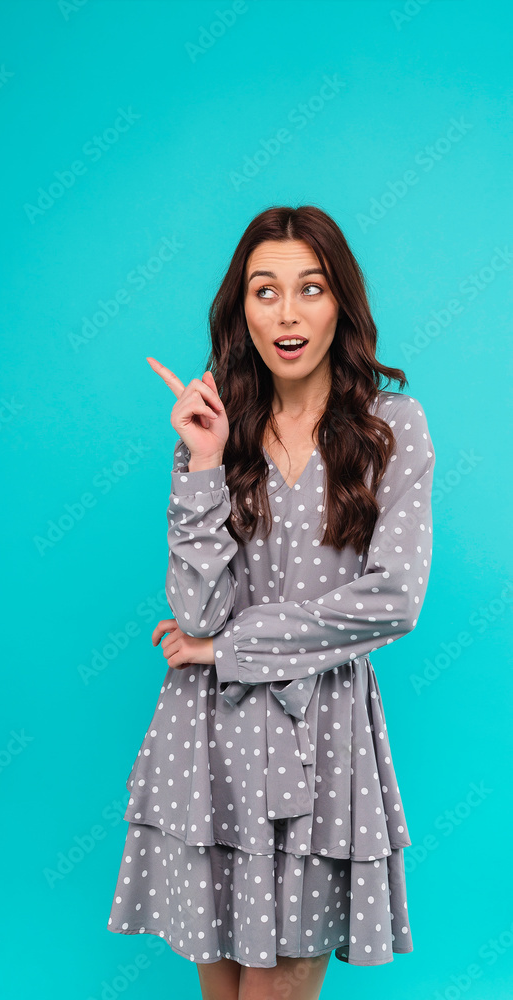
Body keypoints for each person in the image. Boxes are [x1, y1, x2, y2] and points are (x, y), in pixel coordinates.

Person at [107, 205, 435, 1000]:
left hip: (322, 743)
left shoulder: (392, 427)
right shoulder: (216, 430)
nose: (288, 313)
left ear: (340, 303)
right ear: (241, 309)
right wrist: (204, 462)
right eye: (265, 291)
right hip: (209, 743)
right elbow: (195, 613)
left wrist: (231, 648)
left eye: (310, 288)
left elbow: (394, 599)